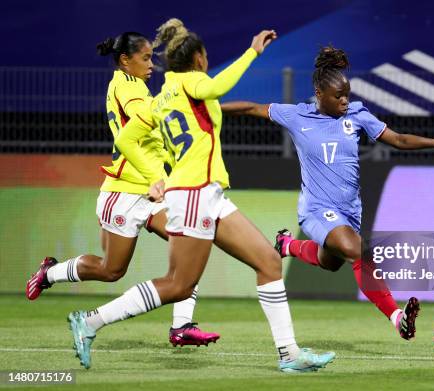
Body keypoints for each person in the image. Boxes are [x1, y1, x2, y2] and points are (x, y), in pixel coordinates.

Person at [66, 19, 335, 373]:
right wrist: (252, 51)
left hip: (205, 193)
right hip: (193, 194)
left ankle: (289, 354)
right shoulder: (192, 82)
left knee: (268, 262)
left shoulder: (161, 95)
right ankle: (90, 322)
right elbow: (219, 84)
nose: (208, 62)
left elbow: (125, 140)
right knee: (179, 285)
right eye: (206, 56)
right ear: (198, 59)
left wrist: (152, 179)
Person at [221, 46, 434, 341]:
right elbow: (251, 108)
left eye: (346, 95)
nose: (344, 100)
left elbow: (398, 139)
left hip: (350, 211)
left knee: (330, 261)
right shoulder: (297, 115)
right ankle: (397, 317)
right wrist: (210, 109)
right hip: (316, 209)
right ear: (318, 94)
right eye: (338, 96)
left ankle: (286, 245)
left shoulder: (357, 113)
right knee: (357, 249)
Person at [25, 31, 218, 347]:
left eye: (152, 57)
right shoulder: (125, 87)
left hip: (152, 190)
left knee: (191, 242)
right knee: (110, 270)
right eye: (145, 58)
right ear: (125, 61)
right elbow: (151, 117)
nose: (151, 64)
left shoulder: (137, 85)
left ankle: (182, 326)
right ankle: (49, 274)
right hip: (125, 192)